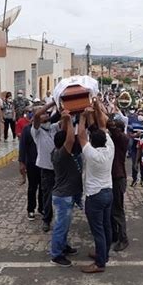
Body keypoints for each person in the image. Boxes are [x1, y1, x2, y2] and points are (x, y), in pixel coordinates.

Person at [78, 103, 114, 274]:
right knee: (106, 227)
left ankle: (100, 263)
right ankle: (103, 254)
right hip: (108, 192)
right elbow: (102, 126)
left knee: (98, 230)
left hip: (95, 196)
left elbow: (81, 136)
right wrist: (98, 108)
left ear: (93, 141)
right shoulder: (110, 148)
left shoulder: (92, 154)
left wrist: (83, 117)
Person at [49, 110, 82, 267]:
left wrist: (65, 120)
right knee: (61, 226)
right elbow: (69, 139)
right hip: (63, 196)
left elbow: (65, 137)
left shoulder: (57, 150)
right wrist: (69, 120)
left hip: (68, 194)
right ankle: (56, 254)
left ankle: (64, 246)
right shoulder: (61, 154)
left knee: (65, 225)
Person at [32, 101, 59, 232]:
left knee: (61, 195)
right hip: (46, 168)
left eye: (47, 113)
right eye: (44, 113)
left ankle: (61, 218)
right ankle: (47, 220)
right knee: (47, 195)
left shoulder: (54, 127)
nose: (46, 115)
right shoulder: (36, 131)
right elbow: (37, 115)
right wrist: (52, 102)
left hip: (59, 168)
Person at [108, 119, 130, 252]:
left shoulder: (123, 139)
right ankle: (114, 235)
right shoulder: (114, 140)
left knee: (117, 210)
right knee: (111, 210)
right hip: (113, 177)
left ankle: (123, 239)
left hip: (118, 177)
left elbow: (114, 132)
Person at [19, 111, 43, 220]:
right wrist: (22, 163)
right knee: (32, 187)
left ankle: (42, 208)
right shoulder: (27, 129)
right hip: (32, 163)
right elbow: (22, 147)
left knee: (44, 187)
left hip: (44, 163)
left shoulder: (45, 128)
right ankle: (31, 209)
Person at [127, 109, 143, 187]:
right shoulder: (133, 123)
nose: (140, 116)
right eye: (139, 114)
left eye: (142, 115)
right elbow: (130, 134)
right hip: (135, 146)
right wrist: (135, 135)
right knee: (134, 163)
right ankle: (134, 179)